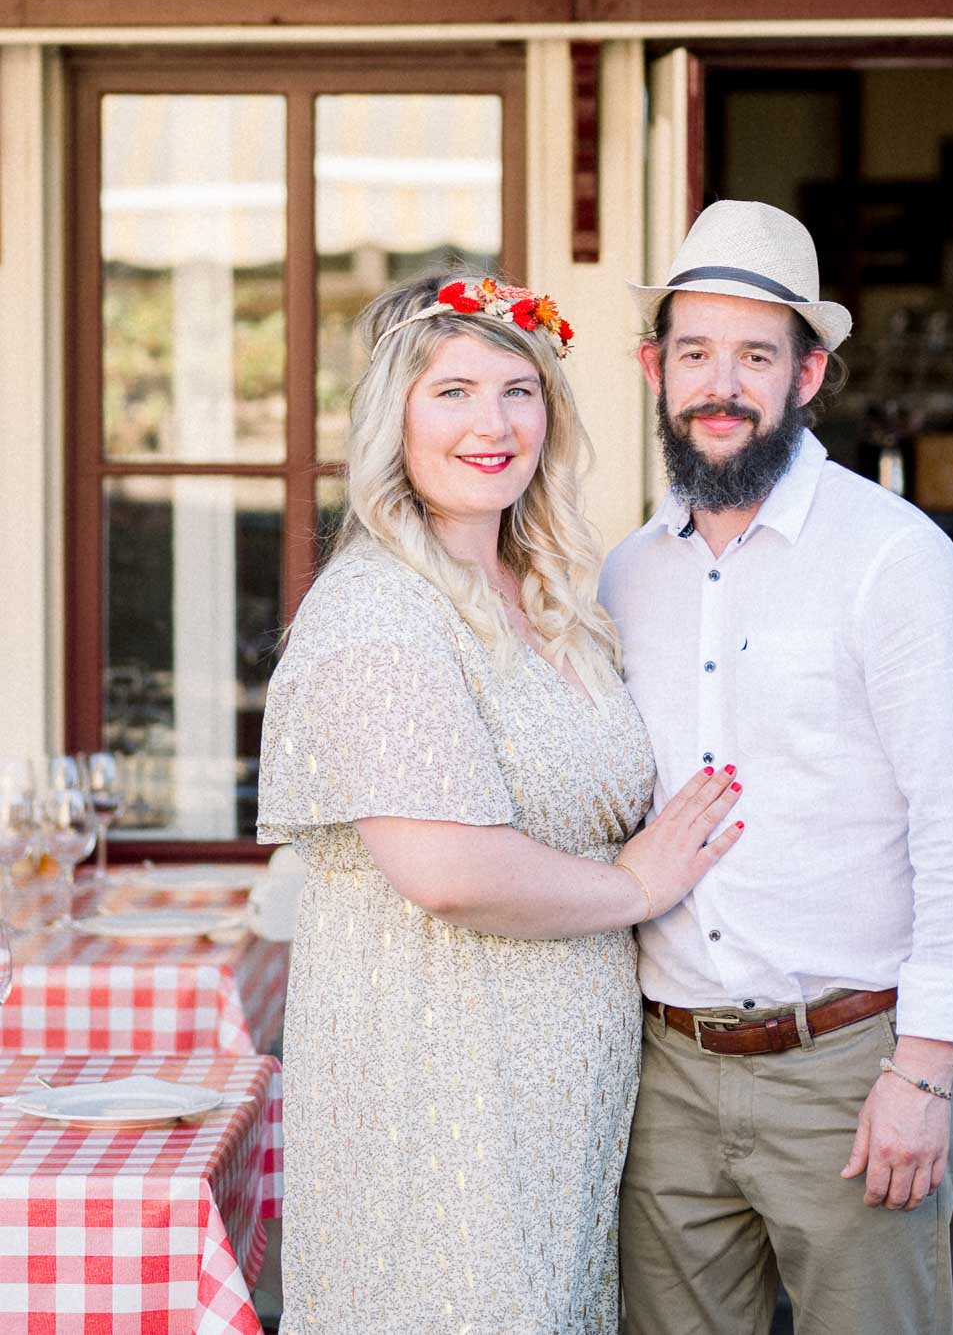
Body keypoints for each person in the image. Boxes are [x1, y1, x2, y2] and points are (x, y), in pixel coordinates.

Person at [255, 272, 745, 1334]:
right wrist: (634, 882)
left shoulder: (552, 593)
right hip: (439, 1086)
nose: (494, 422)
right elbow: (448, 871)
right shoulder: (379, 613)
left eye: (519, 390)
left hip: (557, 1097)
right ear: (395, 419)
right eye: (453, 392)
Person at [600, 200, 953, 1335]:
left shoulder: (893, 559)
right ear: (654, 367)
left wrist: (922, 1072)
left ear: (808, 374)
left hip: (848, 1067)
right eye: (694, 352)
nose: (720, 384)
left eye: (755, 354)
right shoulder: (623, 577)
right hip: (666, 1074)